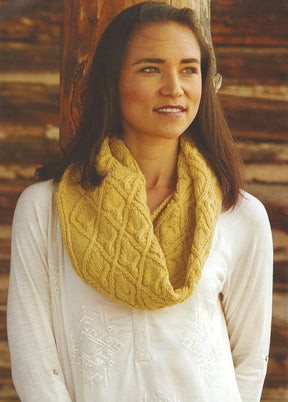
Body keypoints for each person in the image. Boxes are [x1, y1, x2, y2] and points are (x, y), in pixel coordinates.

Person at [7, 2, 273, 401]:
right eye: (151, 68)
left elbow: (250, 362)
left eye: (188, 68)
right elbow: (35, 358)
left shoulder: (238, 214)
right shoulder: (45, 209)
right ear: (111, 81)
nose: (174, 87)